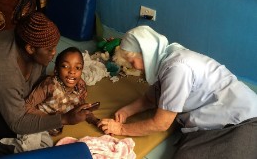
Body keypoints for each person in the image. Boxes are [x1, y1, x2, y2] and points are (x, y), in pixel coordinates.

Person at [98, 25, 257, 159]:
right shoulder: (164, 59)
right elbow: (150, 99)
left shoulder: (177, 68)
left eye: (132, 62)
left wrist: (120, 129)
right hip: (224, 117)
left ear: (145, 53)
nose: (133, 67)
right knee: (187, 151)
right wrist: (126, 111)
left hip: (244, 120)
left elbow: (161, 124)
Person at [0, 12, 90, 138]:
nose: (54, 52)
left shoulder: (34, 43)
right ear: (30, 49)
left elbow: (37, 84)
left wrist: (67, 81)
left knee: (29, 107)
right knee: (12, 132)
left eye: (54, 47)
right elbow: (17, 122)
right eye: (50, 49)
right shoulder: (3, 69)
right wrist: (64, 119)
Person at [0, 47, 99, 159]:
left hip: (49, 131)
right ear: (56, 70)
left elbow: (81, 106)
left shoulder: (80, 87)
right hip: (33, 122)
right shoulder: (50, 85)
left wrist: (95, 120)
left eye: (78, 67)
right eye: (65, 66)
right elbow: (26, 106)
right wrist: (51, 119)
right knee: (28, 147)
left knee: (44, 150)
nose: (72, 71)